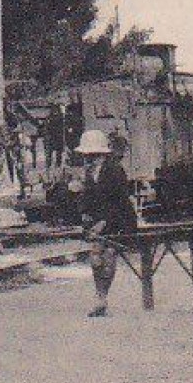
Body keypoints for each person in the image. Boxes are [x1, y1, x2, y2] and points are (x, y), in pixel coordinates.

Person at [77, 128, 138, 317]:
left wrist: (104, 221)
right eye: (86, 156)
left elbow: (120, 202)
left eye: (91, 156)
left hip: (119, 221)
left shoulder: (115, 171)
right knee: (95, 258)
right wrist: (85, 215)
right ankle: (100, 296)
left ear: (101, 155)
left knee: (109, 256)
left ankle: (101, 298)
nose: (88, 160)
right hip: (99, 223)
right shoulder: (89, 173)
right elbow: (87, 199)